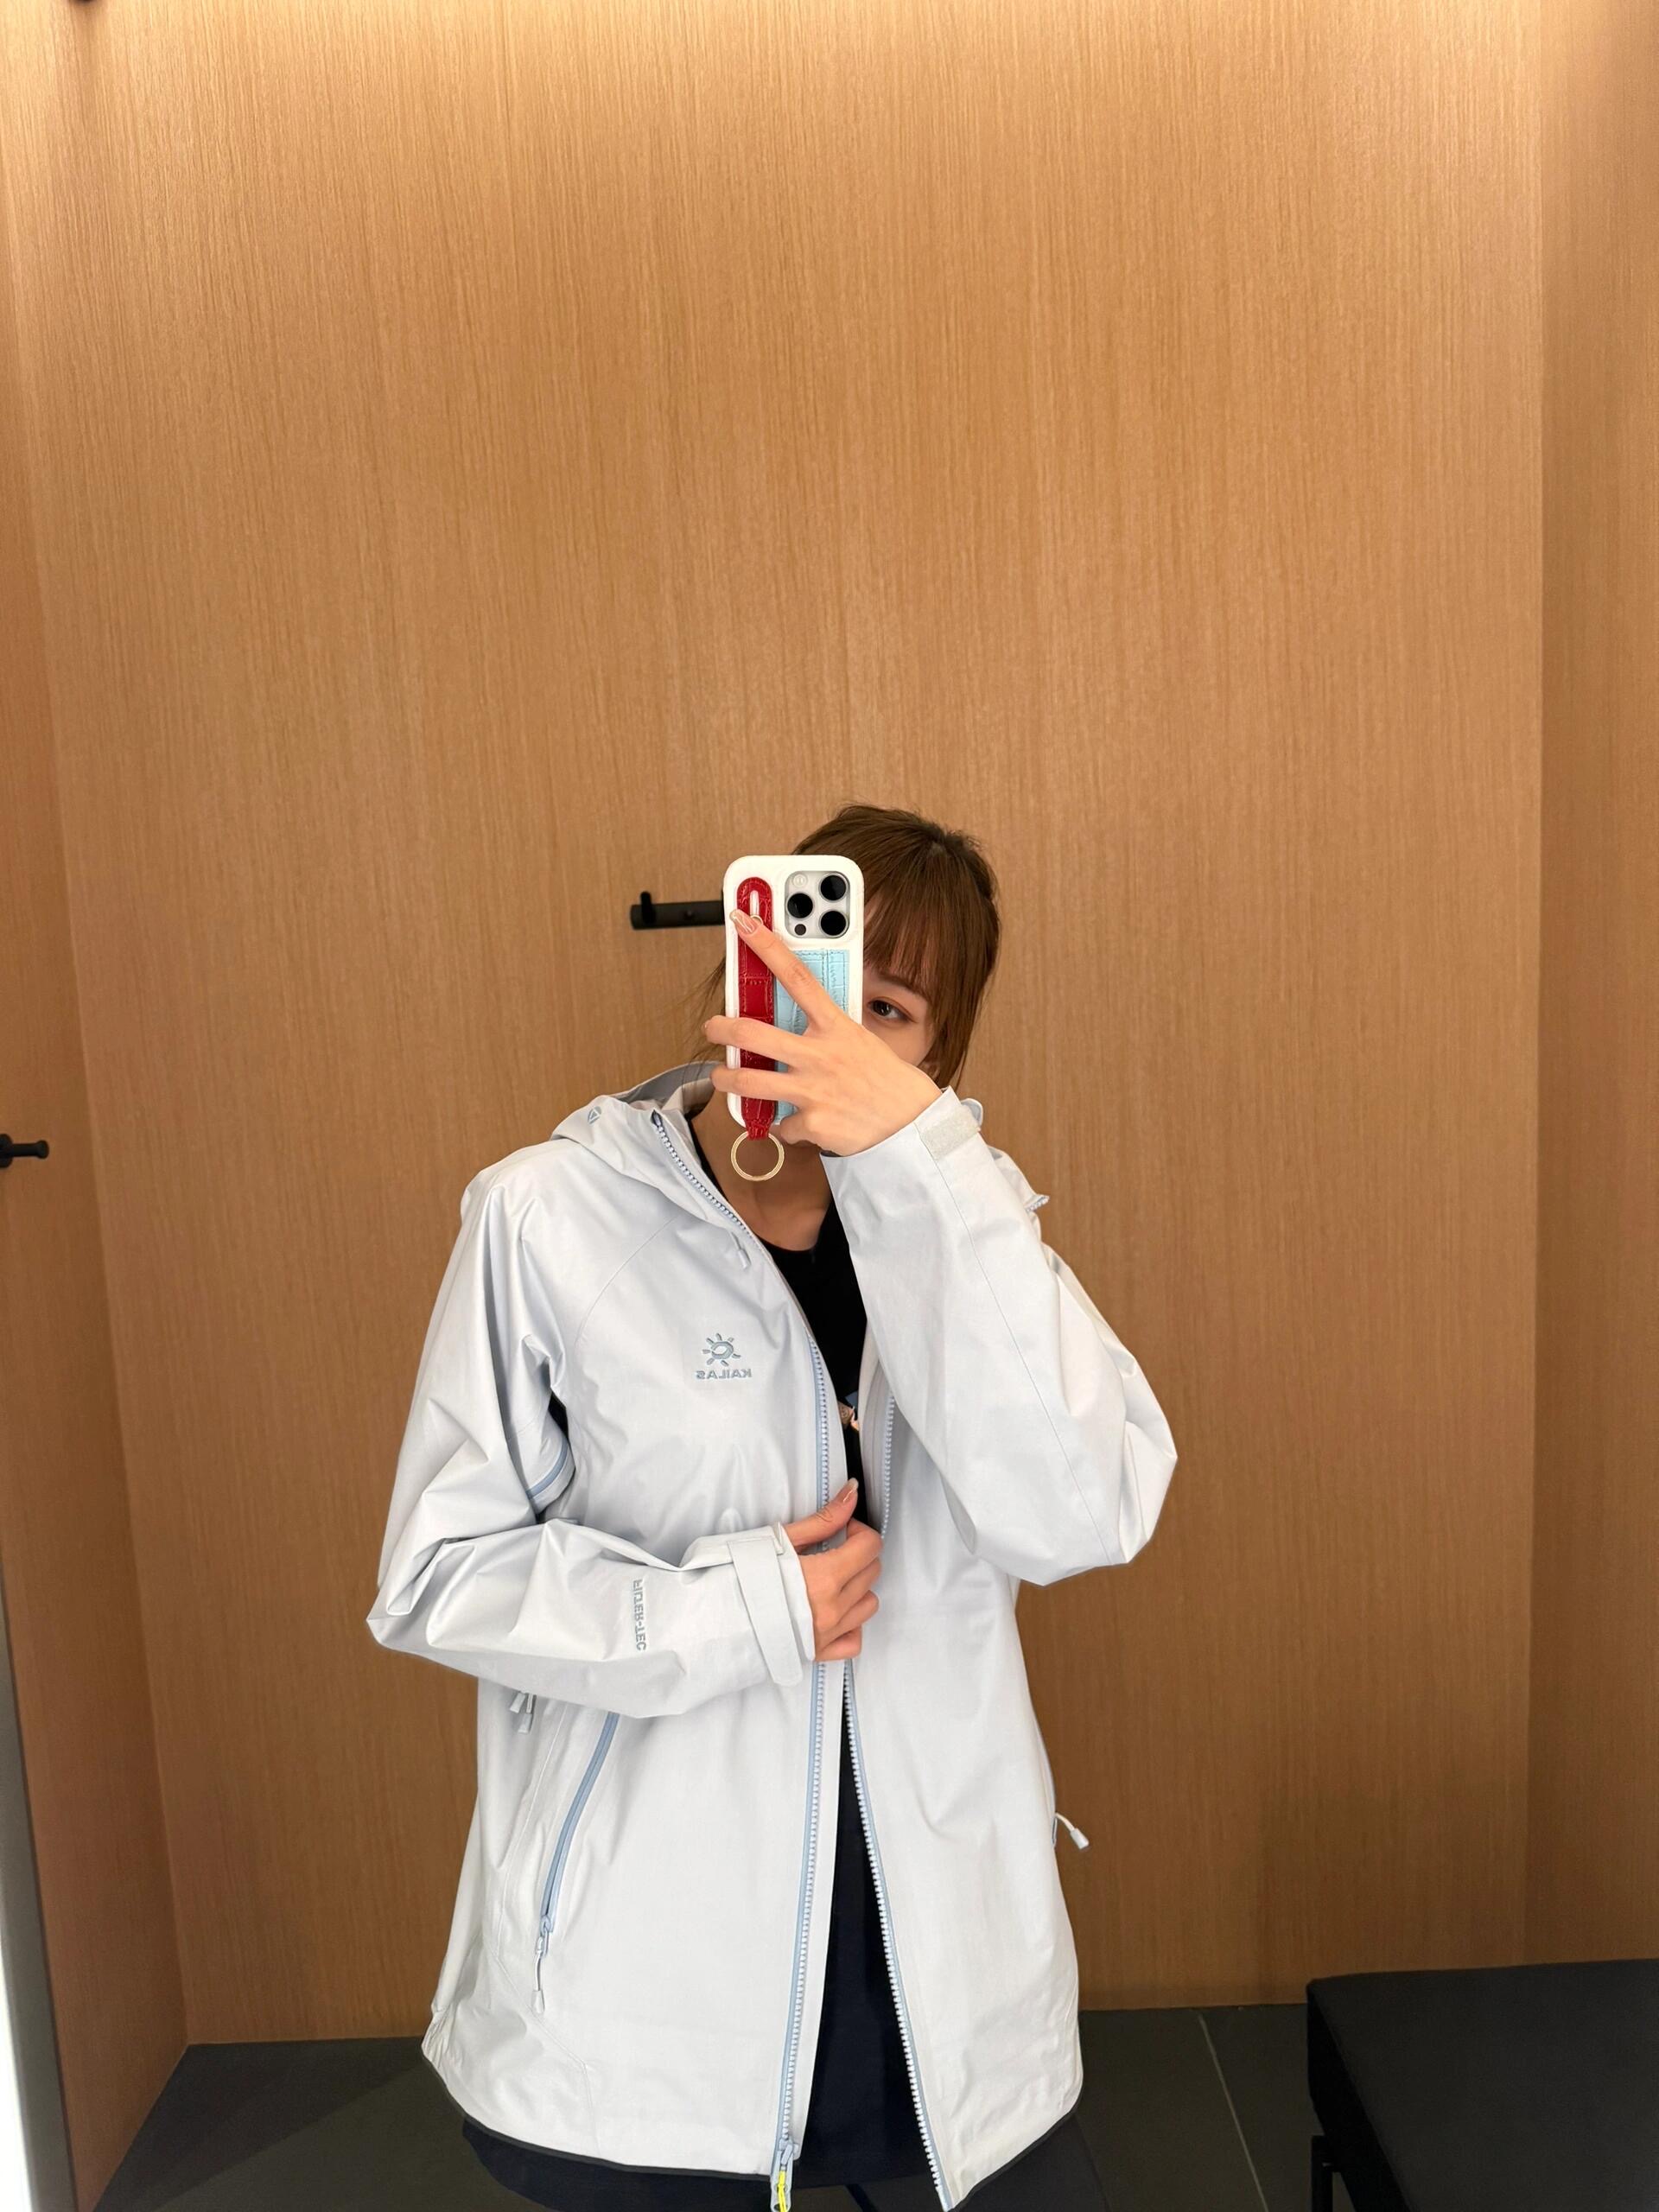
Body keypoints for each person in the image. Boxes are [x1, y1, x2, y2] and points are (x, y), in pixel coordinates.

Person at [365, 805, 1177, 2209]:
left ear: (938, 1059)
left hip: (939, 1968)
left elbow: (1082, 1515)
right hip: (650, 1985)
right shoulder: (547, 1218)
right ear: (740, 974)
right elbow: (440, 1574)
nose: (831, 1034)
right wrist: (739, 1610)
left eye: (887, 1012)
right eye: (807, 982)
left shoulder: (976, 1229)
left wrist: (930, 1177)